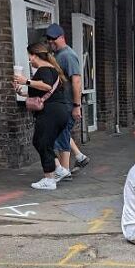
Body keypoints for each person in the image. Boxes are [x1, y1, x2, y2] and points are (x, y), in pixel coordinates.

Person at [13, 42, 70, 190]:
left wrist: (26, 81)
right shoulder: (52, 70)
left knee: (42, 142)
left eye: (30, 57)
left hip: (50, 112)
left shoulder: (44, 69)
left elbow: (47, 86)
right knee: (42, 142)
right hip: (58, 111)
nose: (30, 60)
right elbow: (41, 92)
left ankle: (49, 179)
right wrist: (21, 92)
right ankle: (58, 169)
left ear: (35, 55)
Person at [44, 24, 90, 181]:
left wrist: (77, 106)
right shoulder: (58, 54)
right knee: (62, 133)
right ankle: (78, 157)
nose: (51, 43)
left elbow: (76, 81)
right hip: (62, 102)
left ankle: (64, 171)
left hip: (68, 103)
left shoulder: (68, 56)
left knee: (61, 135)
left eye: (53, 40)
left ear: (62, 37)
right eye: (49, 41)